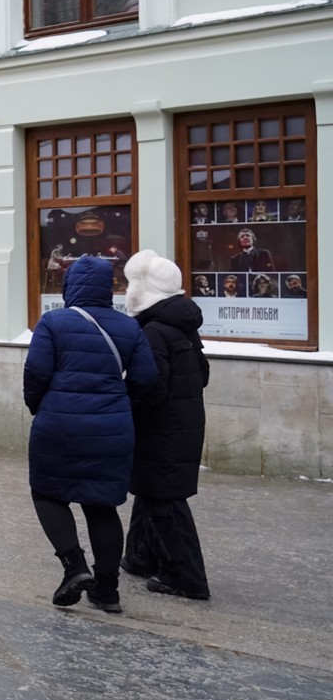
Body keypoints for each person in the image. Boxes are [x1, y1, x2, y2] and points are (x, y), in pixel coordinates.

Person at [22, 256, 157, 614]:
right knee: (101, 505)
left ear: (69, 287)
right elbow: (146, 379)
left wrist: (40, 407)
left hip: (58, 426)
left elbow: (36, 373)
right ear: (108, 287)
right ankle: (108, 591)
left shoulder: (53, 321)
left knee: (48, 493)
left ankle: (74, 567)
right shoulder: (130, 328)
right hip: (112, 428)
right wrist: (118, 406)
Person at [120, 251, 211, 601]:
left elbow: (150, 387)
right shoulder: (180, 324)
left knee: (164, 500)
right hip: (182, 423)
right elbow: (201, 373)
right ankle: (141, 557)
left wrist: (127, 405)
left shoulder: (155, 330)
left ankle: (185, 576)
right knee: (152, 490)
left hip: (163, 429)